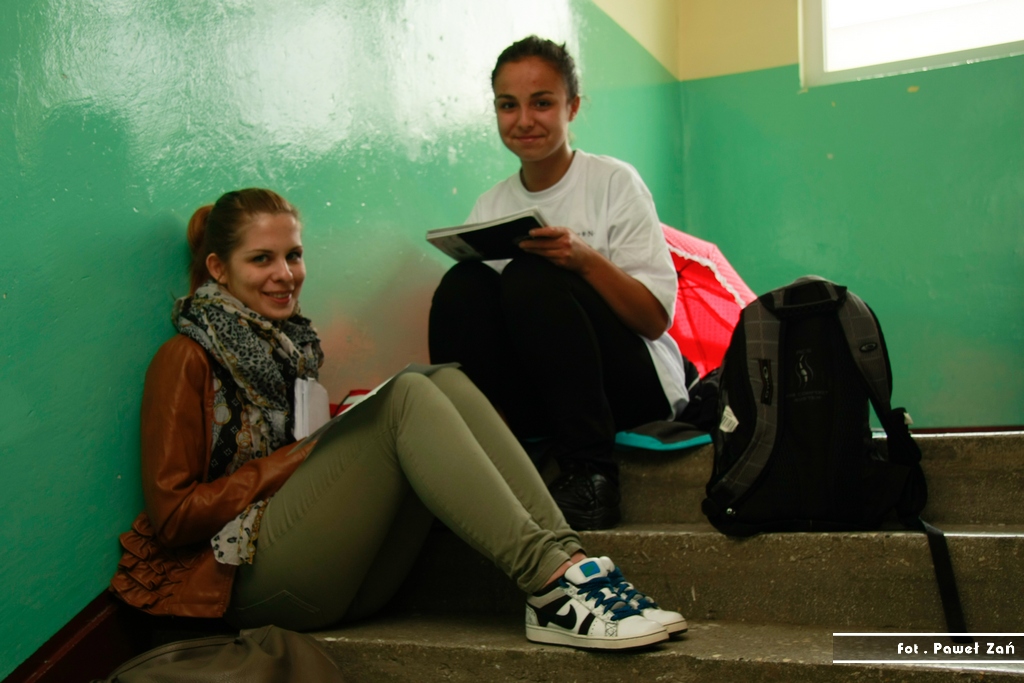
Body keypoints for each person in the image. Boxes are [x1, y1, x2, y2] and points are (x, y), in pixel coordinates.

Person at [109, 188, 687, 651]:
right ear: (218, 267)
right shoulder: (185, 357)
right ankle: (549, 585)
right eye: (261, 259)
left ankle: (572, 565)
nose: (285, 273)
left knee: (442, 379)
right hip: (247, 586)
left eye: (294, 255)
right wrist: (298, 457)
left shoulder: (289, 349)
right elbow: (173, 518)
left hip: (343, 578)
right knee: (407, 394)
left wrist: (328, 436)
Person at [429, 36, 691, 531]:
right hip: (545, 395)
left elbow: (654, 320)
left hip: (631, 389)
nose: (524, 120)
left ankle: (592, 474)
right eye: (508, 105)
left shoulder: (613, 182)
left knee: (533, 273)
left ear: (572, 107)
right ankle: (476, 459)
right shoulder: (491, 205)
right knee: (462, 283)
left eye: (542, 103)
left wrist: (585, 262)